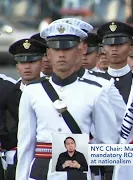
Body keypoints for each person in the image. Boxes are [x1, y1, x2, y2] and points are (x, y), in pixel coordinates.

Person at [16, 22, 119, 180]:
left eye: (67, 49)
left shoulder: (95, 92)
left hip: (79, 171)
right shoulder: (32, 92)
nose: (61, 55)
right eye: (56, 49)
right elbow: (26, 145)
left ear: (78, 53)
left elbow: (108, 144)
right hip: (41, 172)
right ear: (48, 54)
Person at [5, 38, 46, 180]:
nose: (27, 67)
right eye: (22, 62)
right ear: (17, 67)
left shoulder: (53, 92)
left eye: (32, 61)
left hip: (44, 161)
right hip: (13, 161)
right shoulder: (8, 93)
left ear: (42, 63)